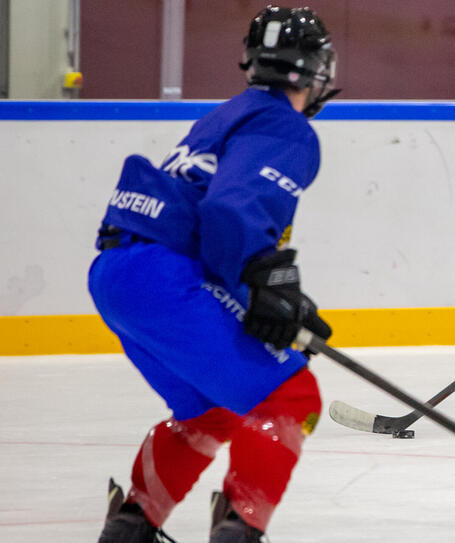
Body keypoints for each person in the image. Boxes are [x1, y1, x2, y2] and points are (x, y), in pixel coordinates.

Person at [89, 6, 339, 542]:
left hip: (120, 273)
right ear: (317, 70)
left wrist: (267, 296)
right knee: (291, 398)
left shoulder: (226, 114)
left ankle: (131, 526)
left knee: (212, 408)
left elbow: (209, 218)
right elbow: (230, 211)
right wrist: (267, 283)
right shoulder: (286, 128)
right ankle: (240, 531)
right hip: (164, 274)